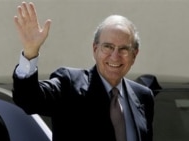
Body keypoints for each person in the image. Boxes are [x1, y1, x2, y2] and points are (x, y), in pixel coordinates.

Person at [12, 2, 154, 141]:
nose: (115, 56)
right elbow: (29, 100)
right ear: (95, 49)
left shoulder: (143, 96)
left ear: (134, 55)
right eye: (108, 47)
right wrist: (30, 52)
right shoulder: (69, 84)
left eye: (123, 49)